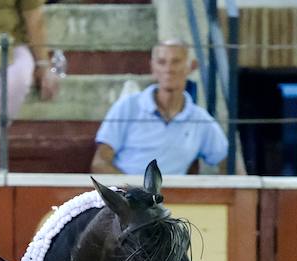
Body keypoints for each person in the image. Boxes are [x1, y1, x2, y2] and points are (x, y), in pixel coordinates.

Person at [92, 40, 228, 176]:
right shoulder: (128, 106)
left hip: (172, 196)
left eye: (176, 62)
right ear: (153, 68)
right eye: (162, 62)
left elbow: (228, 162)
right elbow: (100, 163)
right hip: (124, 193)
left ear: (190, 66)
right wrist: (133, 192)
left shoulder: (200, 119)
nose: (168, 69)